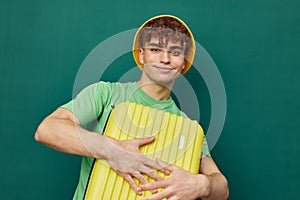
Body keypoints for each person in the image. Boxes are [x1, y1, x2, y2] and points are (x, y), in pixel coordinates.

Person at [35, 15, 229, 200]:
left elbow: (222, 188)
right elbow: (47, 130)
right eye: (155, 49)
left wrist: (202, 185)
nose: (165, 59)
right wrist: (111, 150)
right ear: (141, 55)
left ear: (183, 63)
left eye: (175, 52)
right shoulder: (106, 94)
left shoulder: (189, 128)